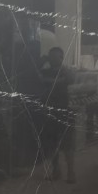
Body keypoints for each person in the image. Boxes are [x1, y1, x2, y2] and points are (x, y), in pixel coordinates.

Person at [39, 46, 76, 182]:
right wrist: (42, 61)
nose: (53, 59)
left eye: (56, 56)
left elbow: (71, 78)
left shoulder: (65, 71)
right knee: (51, 143)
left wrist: (62, 69)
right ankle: (56, 171)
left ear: (61, 58)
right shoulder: (45, 71)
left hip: (64, 110)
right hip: (50, 111)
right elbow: (34, 74)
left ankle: (71, 172)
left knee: (67, 144)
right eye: (51, 56)